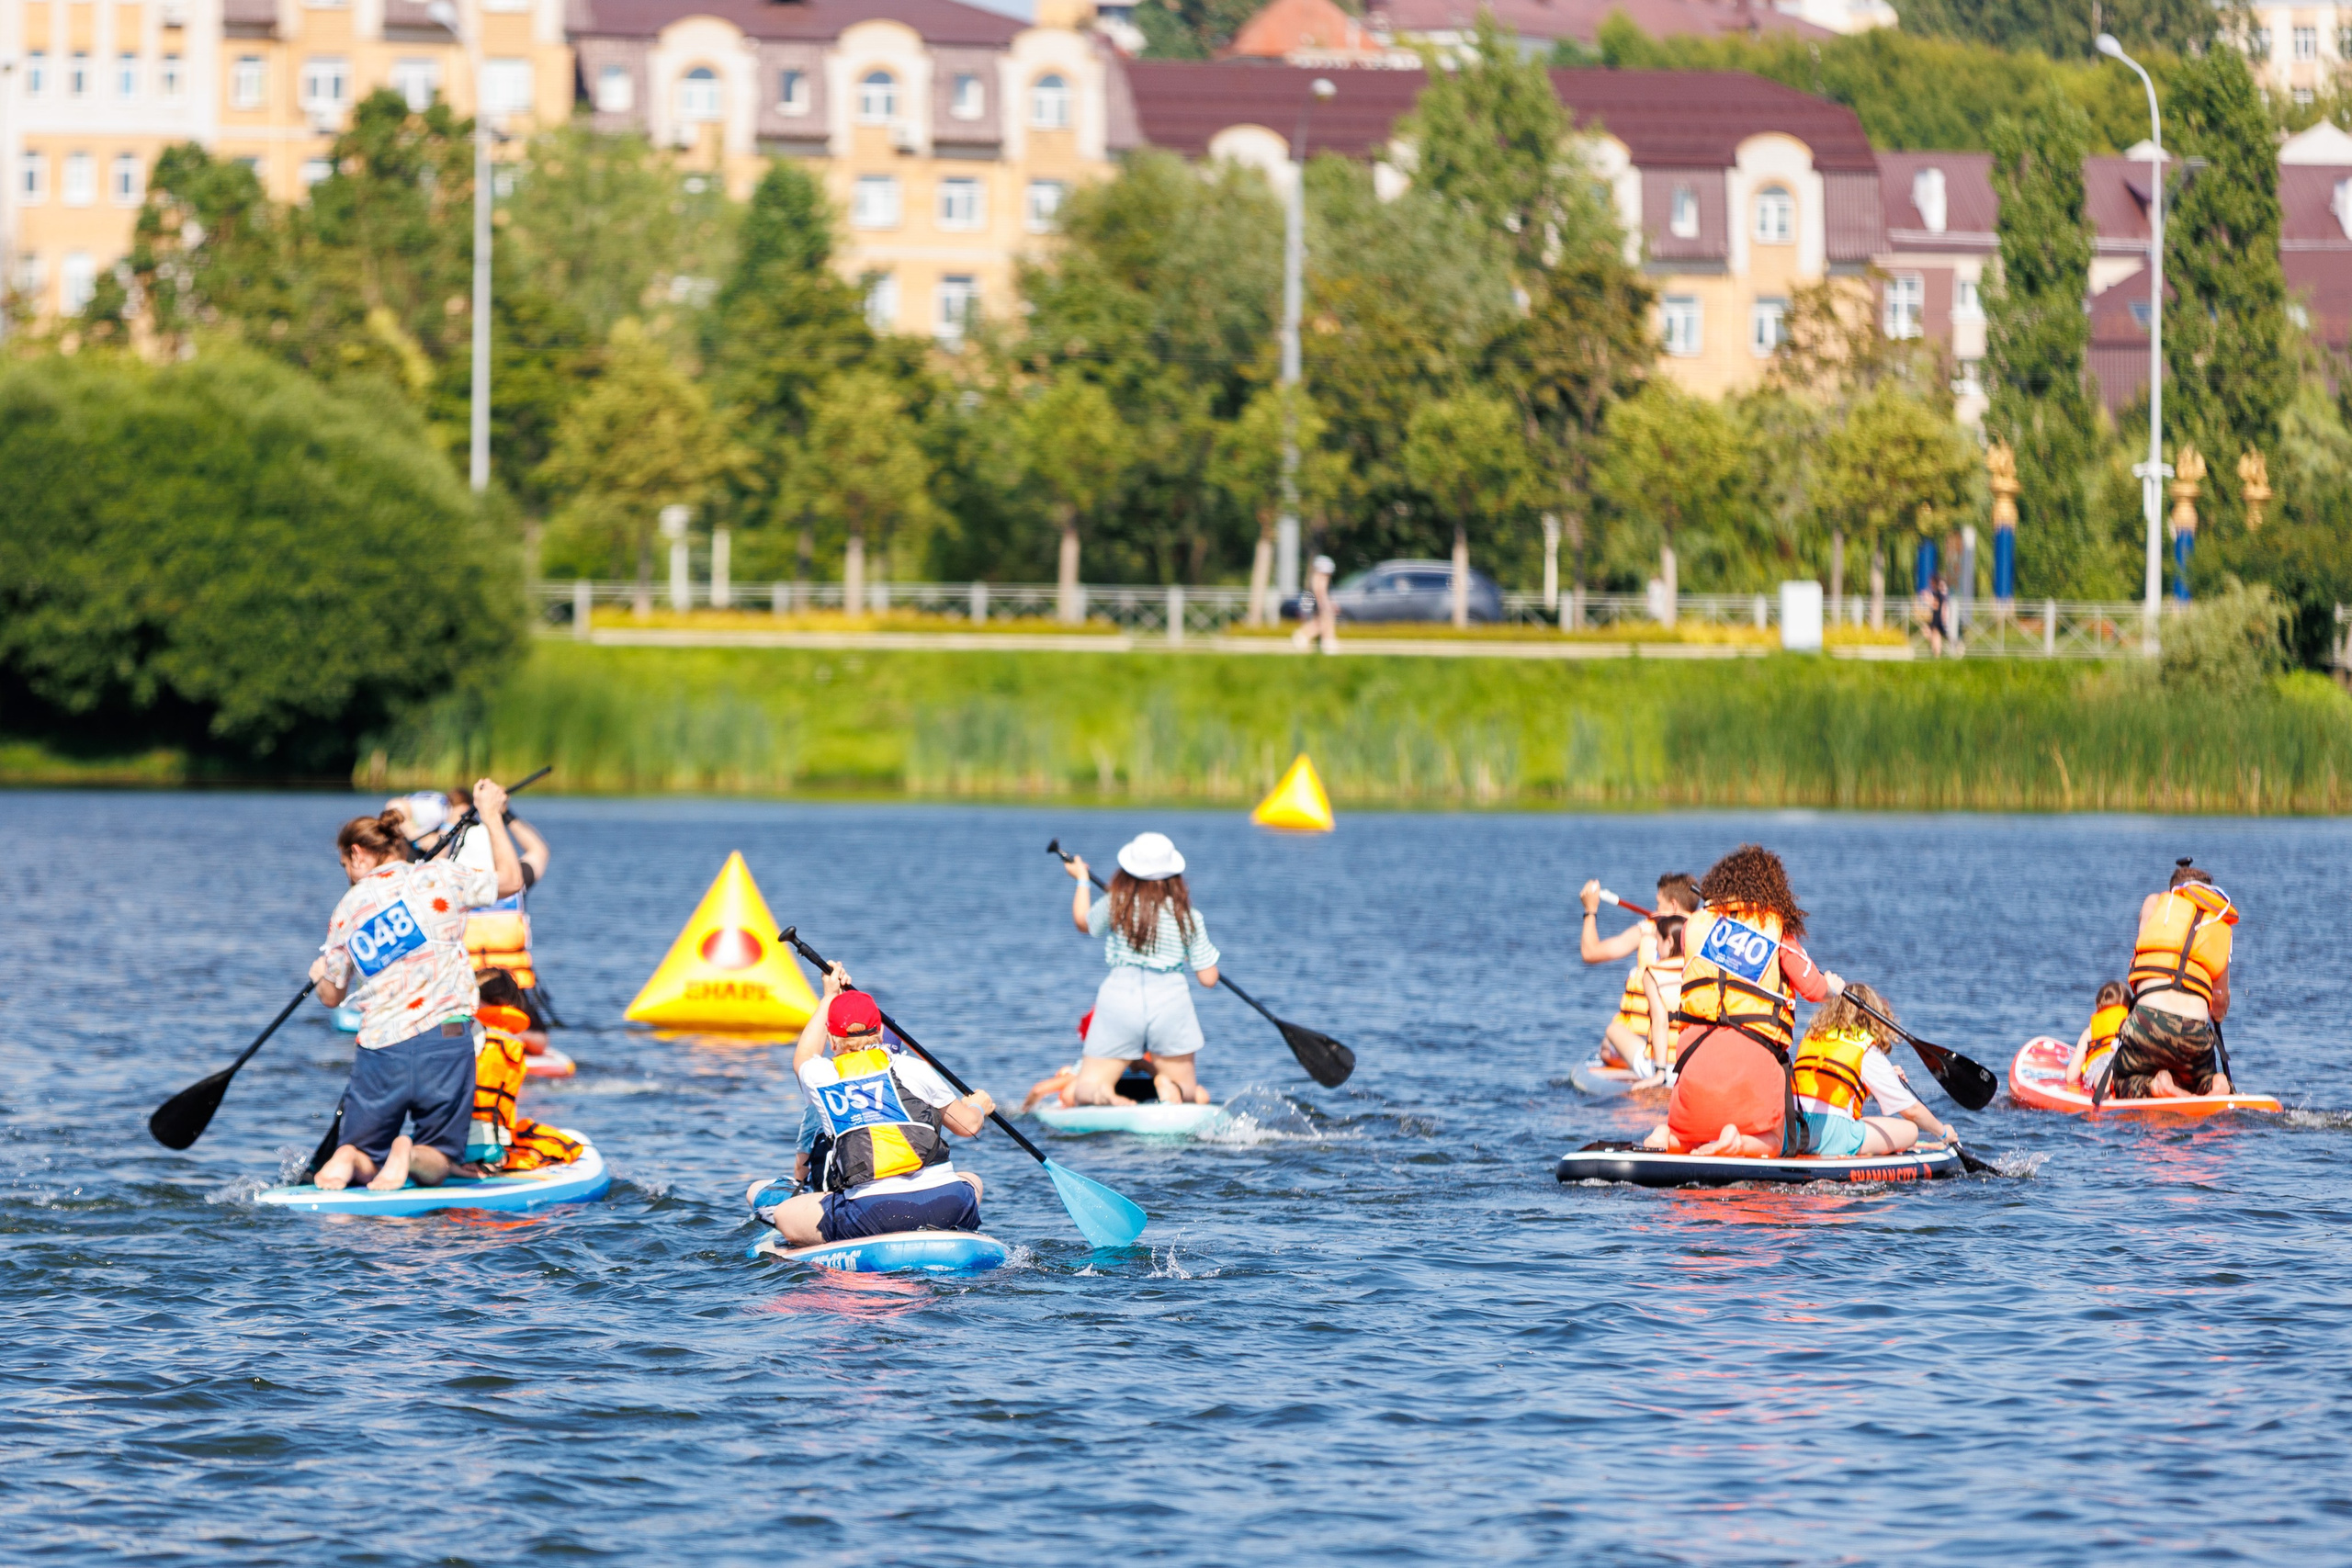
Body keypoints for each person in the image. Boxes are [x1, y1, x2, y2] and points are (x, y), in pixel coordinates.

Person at [310, 780, 524, 1191]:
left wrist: (320, 972)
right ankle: (408, 1151)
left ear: (357, 854)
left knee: (360, 1148)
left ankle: (347, 1156)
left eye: (344, 867)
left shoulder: (346, 909)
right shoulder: (441, 877)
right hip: (443, 1040)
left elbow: (332, 996)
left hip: (379, 1049)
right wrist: (493, 816)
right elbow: (511, 879)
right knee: (441, 1159)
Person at [748, 965, 995, 1246]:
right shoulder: (913, 1068)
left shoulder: (822, 1076)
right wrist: (978, 1106)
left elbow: (804, 1053)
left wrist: (829, 996)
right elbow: (968, 1125)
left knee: (785, 1214)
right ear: (879, 1032)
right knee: (971, 1179)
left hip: (874, 1215)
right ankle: (945, 1230)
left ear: (831, 1040)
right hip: (949, 1205)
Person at [1643, 844, 1841, 1157]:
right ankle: (1737, 1142)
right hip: (1752, 1071)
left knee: (1686, 1134)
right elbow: (1814, 989)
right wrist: (1832, 986)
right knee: (1776, 1141)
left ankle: (1664, 1136)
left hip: (1694, 1069)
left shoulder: (1695, 926)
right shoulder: (1777, 932)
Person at [1063, 832, 1221, 1106]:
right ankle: (1167, 1084)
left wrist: (1081, 879)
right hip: (1171, 1002)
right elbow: (1208, 978)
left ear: (1127, 872)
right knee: (1189, 1094)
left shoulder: (1116, 904)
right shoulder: (1188, 916)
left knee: (1084, 1090)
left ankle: (1102, 1093)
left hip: (1120, 999)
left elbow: (1083, 922)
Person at [2111, 860, 2238, 1100]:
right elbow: (2220, 1002)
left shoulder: (2156, 905)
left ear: (2173, 890)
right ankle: (2216, 1084)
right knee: (2201, 1079)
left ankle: (2157, 1086)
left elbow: (2140, 954)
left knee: (2123, 1079)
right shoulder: (2218, 923)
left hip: (2147, 1021)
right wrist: (2217, 1014)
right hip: (2194, 1031)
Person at [1789, 985, 1954, 1156]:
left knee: (1861, 1120)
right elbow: (1912, 1111)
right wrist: (1943, 1132)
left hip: (1795, 1127)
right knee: (1911, 1130)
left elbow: (1835, 1085)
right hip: (1832, 1135)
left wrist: (1878, 1081)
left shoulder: (1812, 1037)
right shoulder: (1864, 1047)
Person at [444, 783, 556, 1031]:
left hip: (472, 990)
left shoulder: (446, 883)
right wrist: (504, 814)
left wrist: (450, 824)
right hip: (507, 990)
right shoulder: (516, 879)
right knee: (537, 1036)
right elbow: (539, 851)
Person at [1578, 873, 1701, 1073]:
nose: (1655, 910)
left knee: (1608, 1043)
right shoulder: (1708, 935)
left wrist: (1590, 910)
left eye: (1658, 904)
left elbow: (1590, 952)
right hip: (1686, 1045)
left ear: (1673, 905)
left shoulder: (1646, 931)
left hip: (1644, 1042)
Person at [466, 971, 585, 1172]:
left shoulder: (453, 1037)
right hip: (488, 1149)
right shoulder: (512, 1045)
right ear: (508, 1004)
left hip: (443, 1142)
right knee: (554, 1142)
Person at [2065, 980, 2132, 1093]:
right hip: (2127, 1060)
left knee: (2099, 1072)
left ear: (2098, 1006)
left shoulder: (2089, 1032)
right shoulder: (2131, 1024)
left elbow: (2071, 1077)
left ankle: (2103, 1083)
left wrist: (2082, 1074)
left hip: (2102, 1062)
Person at [1292, 554, 1339, 653]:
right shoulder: (1321, 577)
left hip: (1313, 602)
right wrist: (1325, 605)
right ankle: (1305, 637)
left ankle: (1325, 642)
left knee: (1322, 622)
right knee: (1324, 622)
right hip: (1317, 602)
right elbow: (1320, 592)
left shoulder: (1316, 576)